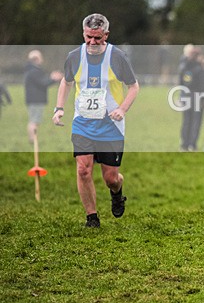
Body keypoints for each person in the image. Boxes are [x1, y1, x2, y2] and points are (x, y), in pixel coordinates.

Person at [52, 13, 139, 228]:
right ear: (83, 33)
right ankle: (92, 217)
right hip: (83, 123)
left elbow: (134, 87)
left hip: (111, 126)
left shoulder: (117, 57)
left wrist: (122, 109)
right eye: (88, 37)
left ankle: (117, 192)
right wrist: (59, 108)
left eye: (97, 38)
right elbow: (66, 82)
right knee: (83, 169)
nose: (92, 42)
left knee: (111, 178)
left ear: (106, 35)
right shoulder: (74, 56)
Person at [24, 49, 63, 143]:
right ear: (36, 59)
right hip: (35, 100)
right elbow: (43, 83)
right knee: (34, 121)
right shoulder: (34, 71)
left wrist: (51, 77)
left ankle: (32, 140)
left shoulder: (31, 70)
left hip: (33, 100)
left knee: (34, 120)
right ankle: (33, 141)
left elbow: (41, 81)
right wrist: (53, 78)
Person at [178, 45, 204, 151]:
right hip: (197, 98)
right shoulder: (200, 70)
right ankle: (192, 144)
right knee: (196, 121)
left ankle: (184, 144)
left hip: (186, 96)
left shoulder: (184, 68)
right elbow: (203, 86)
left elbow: (181, 83)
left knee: (186, 121)